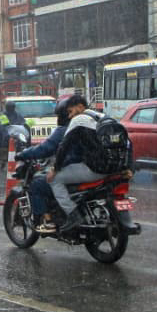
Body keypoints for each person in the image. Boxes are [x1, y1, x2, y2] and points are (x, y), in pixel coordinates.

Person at [14, 97, 73, 234]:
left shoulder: (64, 130)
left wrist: (23, 154)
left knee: (37, 184)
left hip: (73, 171)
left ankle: (47, 221)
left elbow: (46, 148)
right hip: (92, 171)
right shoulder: (89, 125)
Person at [46, 94, 103, 232]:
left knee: (55, 180)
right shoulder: (103, 117)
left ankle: (73, 214)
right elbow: (127, 142)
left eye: (71, 111)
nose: (70, 116)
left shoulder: (79, 120)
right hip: (114, 168)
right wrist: (129, 167)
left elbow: (64, 146)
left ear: (80, 107)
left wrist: (55, 168)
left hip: (95, 168)